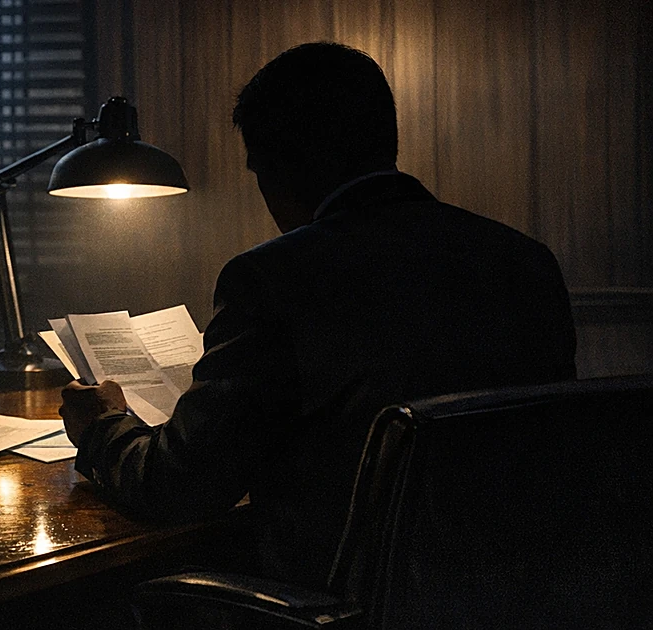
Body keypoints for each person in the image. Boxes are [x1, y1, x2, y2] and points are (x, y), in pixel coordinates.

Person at [58, 42, 577, 589]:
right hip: (509, 595)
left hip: (336, 603)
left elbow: (182, 486)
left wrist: (102, 426)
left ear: (278, 164)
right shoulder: (525, 261)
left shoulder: (273, 279)